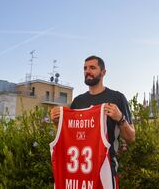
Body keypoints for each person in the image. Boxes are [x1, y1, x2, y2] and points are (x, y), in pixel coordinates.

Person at [50, 55, 135, 188]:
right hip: (77, 176)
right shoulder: (78, 101)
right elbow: (69, 138)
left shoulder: (117, 98)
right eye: (85, 68)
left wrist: (120, 118)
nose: (87, 71)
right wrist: (57, 123)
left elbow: (131, 138)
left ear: (103, 72)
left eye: (92, 68)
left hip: (105, 173)